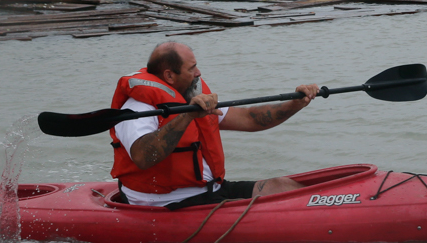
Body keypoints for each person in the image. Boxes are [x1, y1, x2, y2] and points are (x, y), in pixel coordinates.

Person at [109, 41, 318, 208]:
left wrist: (296, 104)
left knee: (283, 186)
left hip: (211, 190)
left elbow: (250, 118)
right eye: (192, 68)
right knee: (274, 209)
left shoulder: (188, 96)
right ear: (169, 75)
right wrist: (187, 116)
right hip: (165, 203)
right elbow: (144, 157)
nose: (199, 73)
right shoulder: (137, 108)